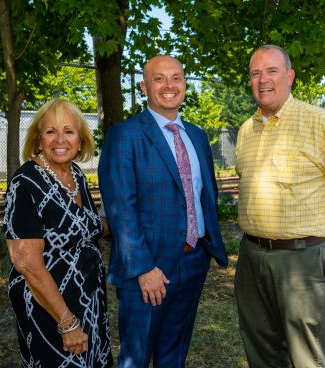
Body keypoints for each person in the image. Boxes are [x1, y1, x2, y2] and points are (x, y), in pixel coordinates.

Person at [234, 45, 325, 368]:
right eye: (255, 73)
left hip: (301, 260)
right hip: (252, 257)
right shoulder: (245, 131)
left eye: (272, 71)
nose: (263, 80)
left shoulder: (320, 123)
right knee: (260, 351)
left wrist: (321, 243)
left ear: (290, 77)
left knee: (305, 358)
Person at [98, 55, 228, 368]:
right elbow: (121, 210)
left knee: (174, 355)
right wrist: (143, 268)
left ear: (184, 84)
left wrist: (206, 248)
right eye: (159, 79)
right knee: (136, 358)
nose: (169, 86)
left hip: (193, 262)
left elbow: (203, 195)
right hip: (148, 270)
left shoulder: (196, 136)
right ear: (145, 86)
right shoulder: (124, 136)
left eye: (176, 78)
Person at [3, 98, 113, 367]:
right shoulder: (26, 183)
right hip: (51, 311)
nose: (59, 139)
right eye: (50, 131)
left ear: (80, 140)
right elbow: (27, 263)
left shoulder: (76, 175)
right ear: (39, 140)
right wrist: (67, 323)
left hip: (89, 304)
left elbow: (86, 228)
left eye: (68, 131)